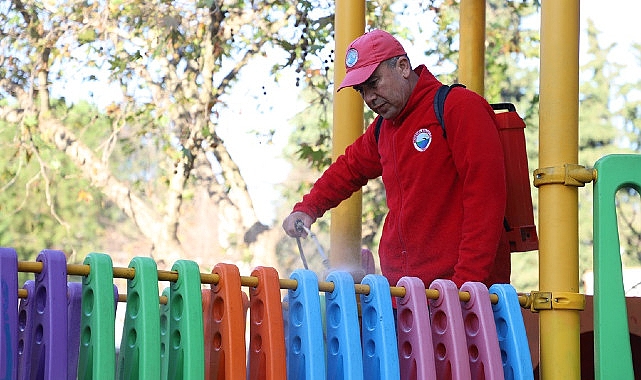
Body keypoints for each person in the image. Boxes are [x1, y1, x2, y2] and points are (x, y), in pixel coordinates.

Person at [282, 29, 510, 289]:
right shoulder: (383, 128)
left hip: (459, 295)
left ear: (402, 67)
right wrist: (308, 207)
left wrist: (465, 287)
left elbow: (485, 199)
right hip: (403, 294)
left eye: (374, 83)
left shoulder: (458, 107)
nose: (369, 97)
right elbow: (348, 169)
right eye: (361, 90)